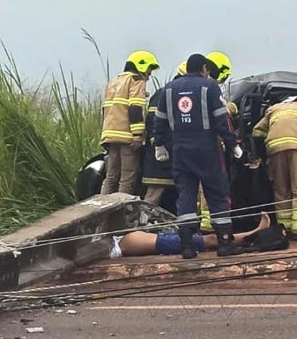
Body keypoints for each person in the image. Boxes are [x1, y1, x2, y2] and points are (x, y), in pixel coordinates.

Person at [153, 53, 245, 259]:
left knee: (185, 196)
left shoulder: (168, 89)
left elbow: (159, 121)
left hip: (180, 152)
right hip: (207, 151)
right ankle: (224, 243)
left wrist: (159, 145)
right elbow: (221, 119)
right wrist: (233, 145)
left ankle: (186, 246)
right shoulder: (209, 87)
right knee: (217, 194)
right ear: (203, 68)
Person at [252, 95, 297, 238]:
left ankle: (284, 229)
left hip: (274, 150)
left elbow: (256, 132)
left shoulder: (273, 109)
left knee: (281, 189)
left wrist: (263, 149)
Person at [100, 50, 160, 195]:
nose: (148, 77)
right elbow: (135, 109)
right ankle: (121, 211)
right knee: (127, 177)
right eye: (149, 72)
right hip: (127, 136)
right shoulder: (136, 81)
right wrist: (138, 135)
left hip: (110, 135)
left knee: (111, 176)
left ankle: (100, 208)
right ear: (142, 66)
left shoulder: (113, 81)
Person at [110, 212, 286, 257]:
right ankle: (253, 234)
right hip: (135, 243)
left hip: (136, 240)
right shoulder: (120, 246)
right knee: (208, 240)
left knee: (207, 240)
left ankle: (252, 235)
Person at [197, 51, 236, 232]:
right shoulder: (211, 87)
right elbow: (220, 115)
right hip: (211, 144)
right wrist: (231, 107)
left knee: (198, 187)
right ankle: (214, 225)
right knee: (214, 185)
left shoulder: (194, 87)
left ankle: (204, 222)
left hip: (191, 144)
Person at [142, 62, 187, 207]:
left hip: (176, 154)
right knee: (154, 195)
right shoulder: (164, 93)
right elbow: (152, 121)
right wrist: (158, 144)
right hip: (161, 156)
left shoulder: (183, 95)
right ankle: (144, 224)